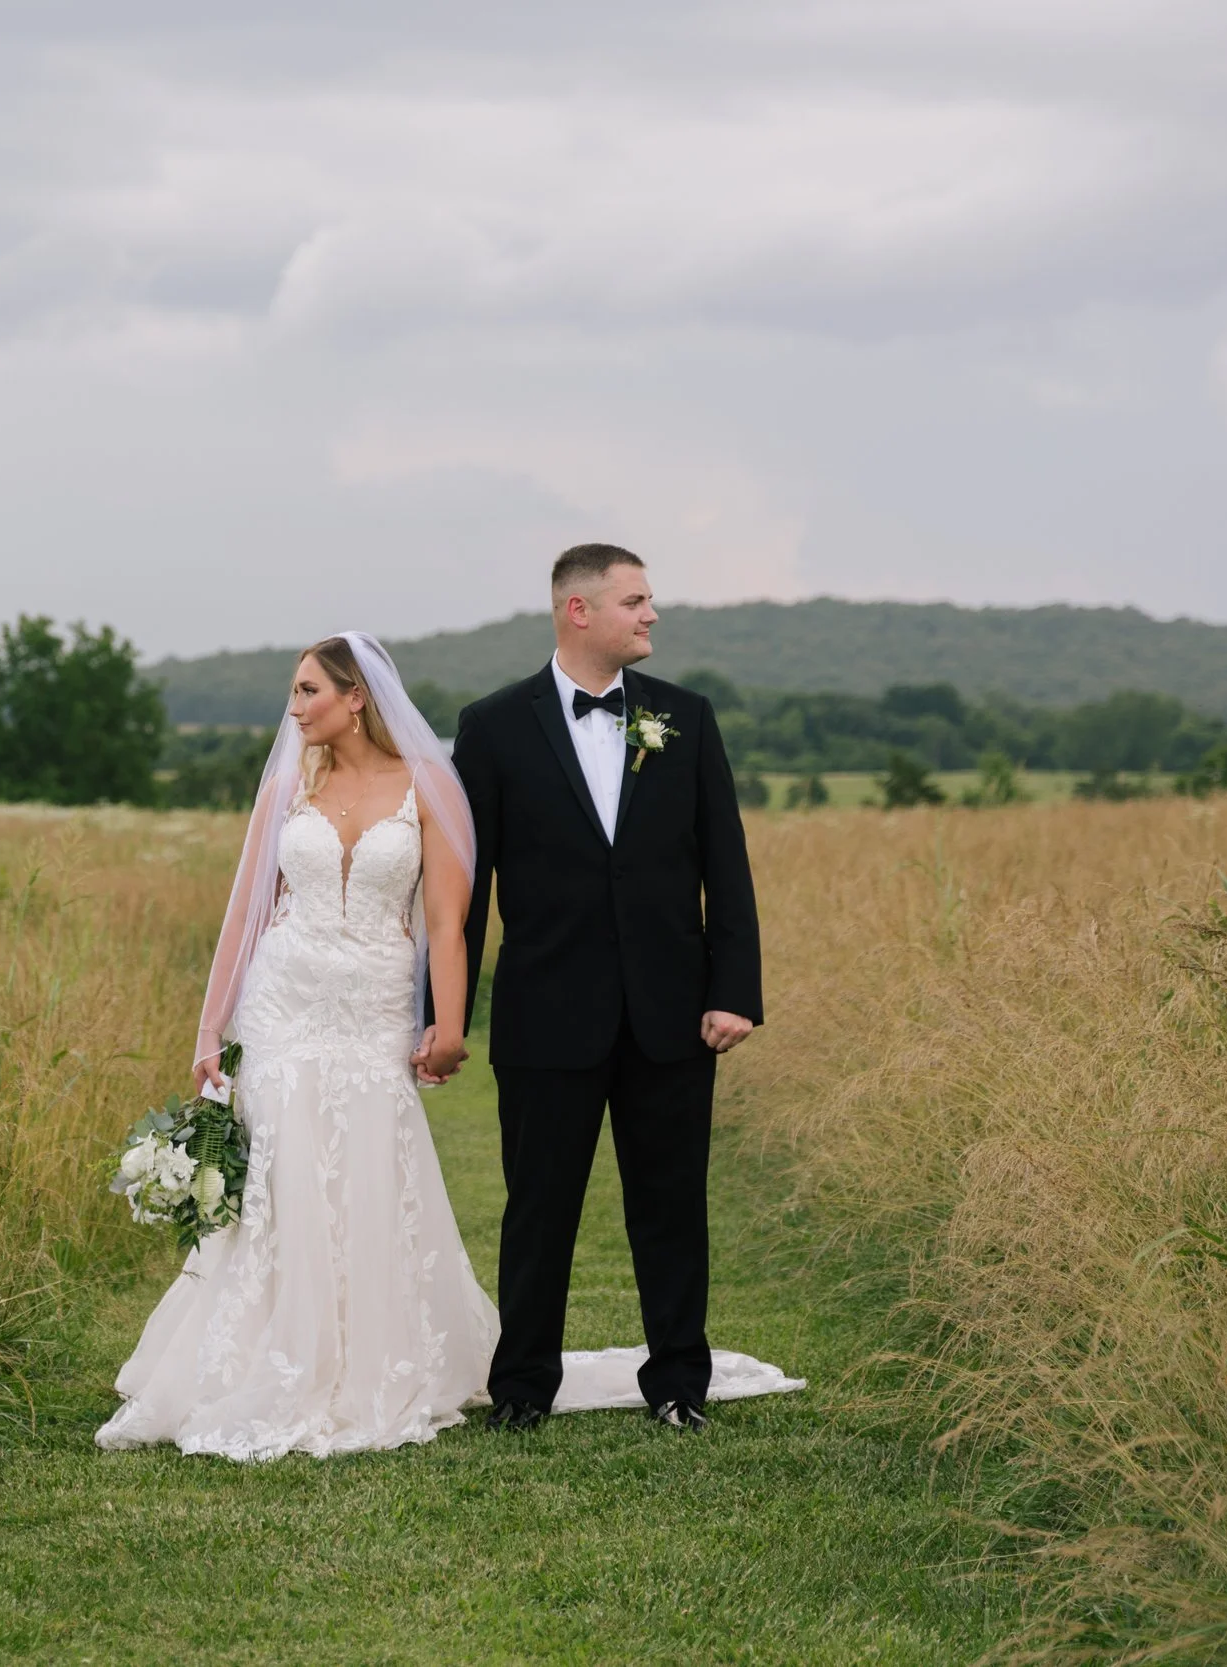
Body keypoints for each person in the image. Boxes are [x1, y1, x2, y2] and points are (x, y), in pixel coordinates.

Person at [95, 632, 499, 1460]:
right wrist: (211, 1030)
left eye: (309, 689)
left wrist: (449, 1023)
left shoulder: (429, 786)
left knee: (369, 1163)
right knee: (282, 1171)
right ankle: (262, 1357)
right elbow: (245, 917)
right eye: (293, 690)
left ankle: (372, 1358)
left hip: (374, 1006)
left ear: (358, 697)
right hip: (281, 1004)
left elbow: (448, 924)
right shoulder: (288, 785)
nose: (295, 706)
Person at [454, 544, 769, 1433]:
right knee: (538, 1208)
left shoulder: (687, 718)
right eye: (636, 600)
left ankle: (677, 1382)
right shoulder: (494, 725)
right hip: (546, 1011)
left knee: (671, 1207)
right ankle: (521, 1387)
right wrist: (443, 1013)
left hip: (672, 1012)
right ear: (577, 611)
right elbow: (466, 889)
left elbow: (726, 868)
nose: (653, 614)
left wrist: (732, 989)